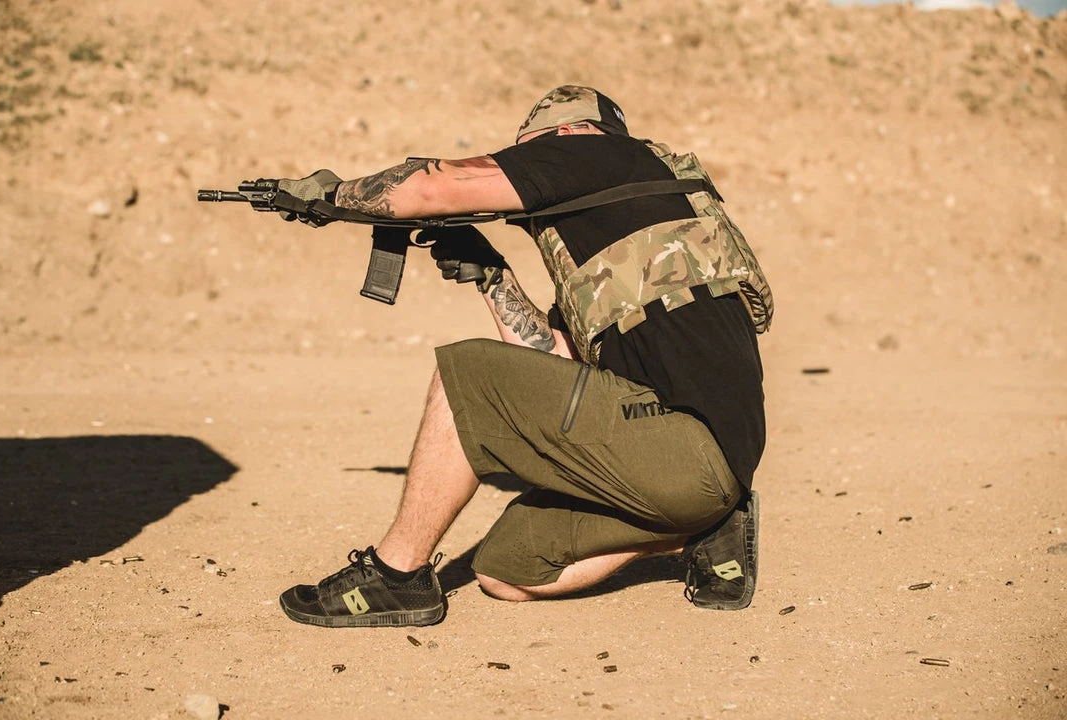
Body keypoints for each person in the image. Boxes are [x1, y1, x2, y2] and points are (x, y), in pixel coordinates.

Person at [274, 85, 772, 628]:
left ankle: (396, 575)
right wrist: (491, 274)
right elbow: (552, 361)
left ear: (570, 133)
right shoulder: (619, 244)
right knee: (506, 570)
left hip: (688, 447)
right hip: (692, 472)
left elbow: (430, 187)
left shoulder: (598, 151)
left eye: (534, 151)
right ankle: (703, 528)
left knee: (469, 374)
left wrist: (332, 194)